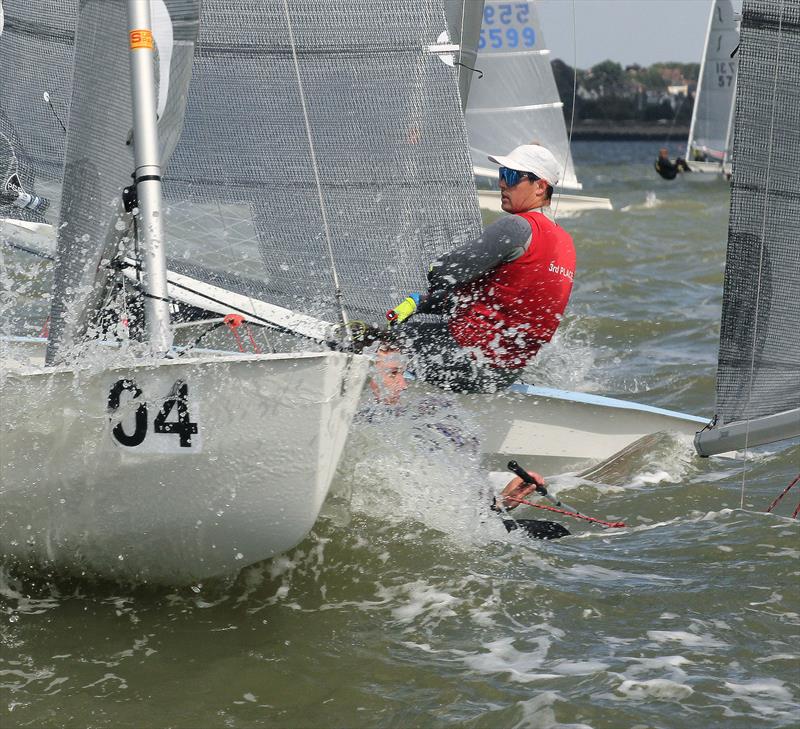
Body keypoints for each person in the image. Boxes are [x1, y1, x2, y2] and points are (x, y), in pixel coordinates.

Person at [384, 143, 576, 394]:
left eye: (511, 176)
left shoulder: (517, 226)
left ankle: (386, 417)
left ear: (540, 187)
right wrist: (421, 303)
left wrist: (434, 271)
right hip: (505, 371)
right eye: (501, 175)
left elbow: (442, 274)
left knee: (387, 341)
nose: (502, 184)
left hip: (465, 356)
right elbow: (504, 301)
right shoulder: (567, 244)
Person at [491, 468, 570, 540]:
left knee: (554, 529)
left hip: (489, 526)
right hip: (487, 532)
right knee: (556, 530)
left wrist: (501, 503)